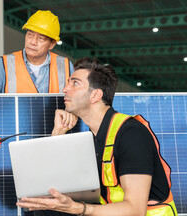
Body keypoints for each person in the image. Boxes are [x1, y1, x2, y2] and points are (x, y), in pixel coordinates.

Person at [17, 58, 178, 216]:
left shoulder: (131, 134)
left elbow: (135, 210)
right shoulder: (92, 139)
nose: (65, 89)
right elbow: (55, 184)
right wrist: (58, 133)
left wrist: (78, 209)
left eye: (75, 83)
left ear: (95, 96)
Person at [0, 10, 74, 100]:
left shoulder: (65, 66)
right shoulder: (4, 64)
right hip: (12, 127)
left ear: (52, 44)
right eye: (30, 35)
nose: (33, 42)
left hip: (56, 128)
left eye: (41, 38)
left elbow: (77, 101)